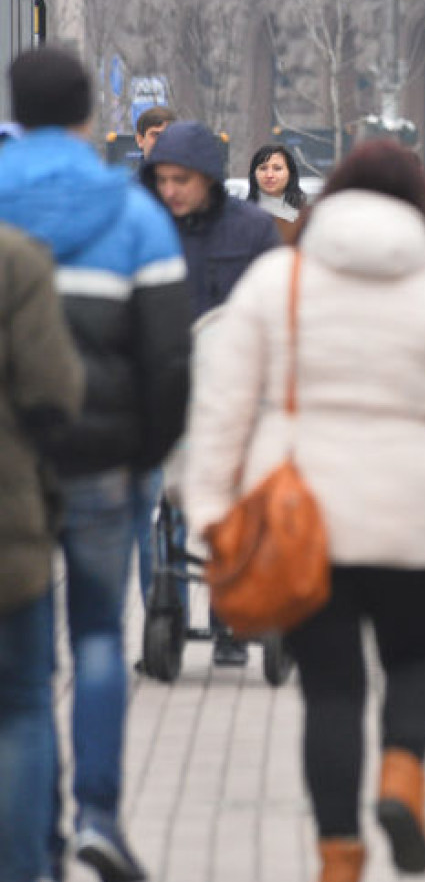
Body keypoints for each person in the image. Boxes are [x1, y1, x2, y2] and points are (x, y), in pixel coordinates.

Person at [183, 141, 425, 882]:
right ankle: (402, 773)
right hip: (418, 517)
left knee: (331, 693)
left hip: (306, 518)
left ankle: (337, 861)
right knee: (419, 662)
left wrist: (208, 508)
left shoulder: (278, 280)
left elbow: (224, 404)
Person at [0, 46, 192, 882]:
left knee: (27, 675)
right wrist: (146, 455)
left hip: (11, 468)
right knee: (101, 638)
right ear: (90, 117)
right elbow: (168, 357)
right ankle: (100, 818)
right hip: (106, 465)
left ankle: (34, 849)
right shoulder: (136, 212)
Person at [141, 120, 282, 667]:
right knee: (171, 511)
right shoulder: (150, 228)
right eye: (162, 180)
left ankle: (232, 616)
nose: (170, 191)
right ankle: (166, 608)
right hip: (170, 390)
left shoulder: (251, 231)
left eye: (181, 180)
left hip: (237, 392)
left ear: (208, 179)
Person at [0, 227, 85, 882]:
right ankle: (21, 880)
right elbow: (55, 390)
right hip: (10, 520)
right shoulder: (17, 260)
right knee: (25, 703)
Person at [129, 104, 175, 630]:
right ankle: (157, 612)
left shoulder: (193, 201)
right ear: (139, 140)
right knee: (148, 505)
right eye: (154, 136)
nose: (160, 143)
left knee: (176, 505)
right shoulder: (126, 201)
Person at [246, 143, 307, 239]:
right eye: (263, 168)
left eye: (277, 168)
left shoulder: (305, 217)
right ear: (254, 174)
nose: (269, 175)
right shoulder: (244, 218)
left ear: (290, 174)